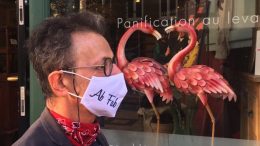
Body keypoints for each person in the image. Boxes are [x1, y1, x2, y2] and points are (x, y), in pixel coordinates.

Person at [13, 11, 128, 146]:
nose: (117, 72)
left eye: (112, 62)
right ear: (60, 82)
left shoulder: (93, 137)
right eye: (102, 66)